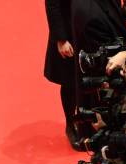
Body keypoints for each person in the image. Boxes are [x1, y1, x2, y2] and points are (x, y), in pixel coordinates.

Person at [44, 0, 77, 146]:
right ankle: (71, 124)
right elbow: (53, 4)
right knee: (70, 81)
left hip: (93, 25)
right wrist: (61, 39)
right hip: (70, 30)